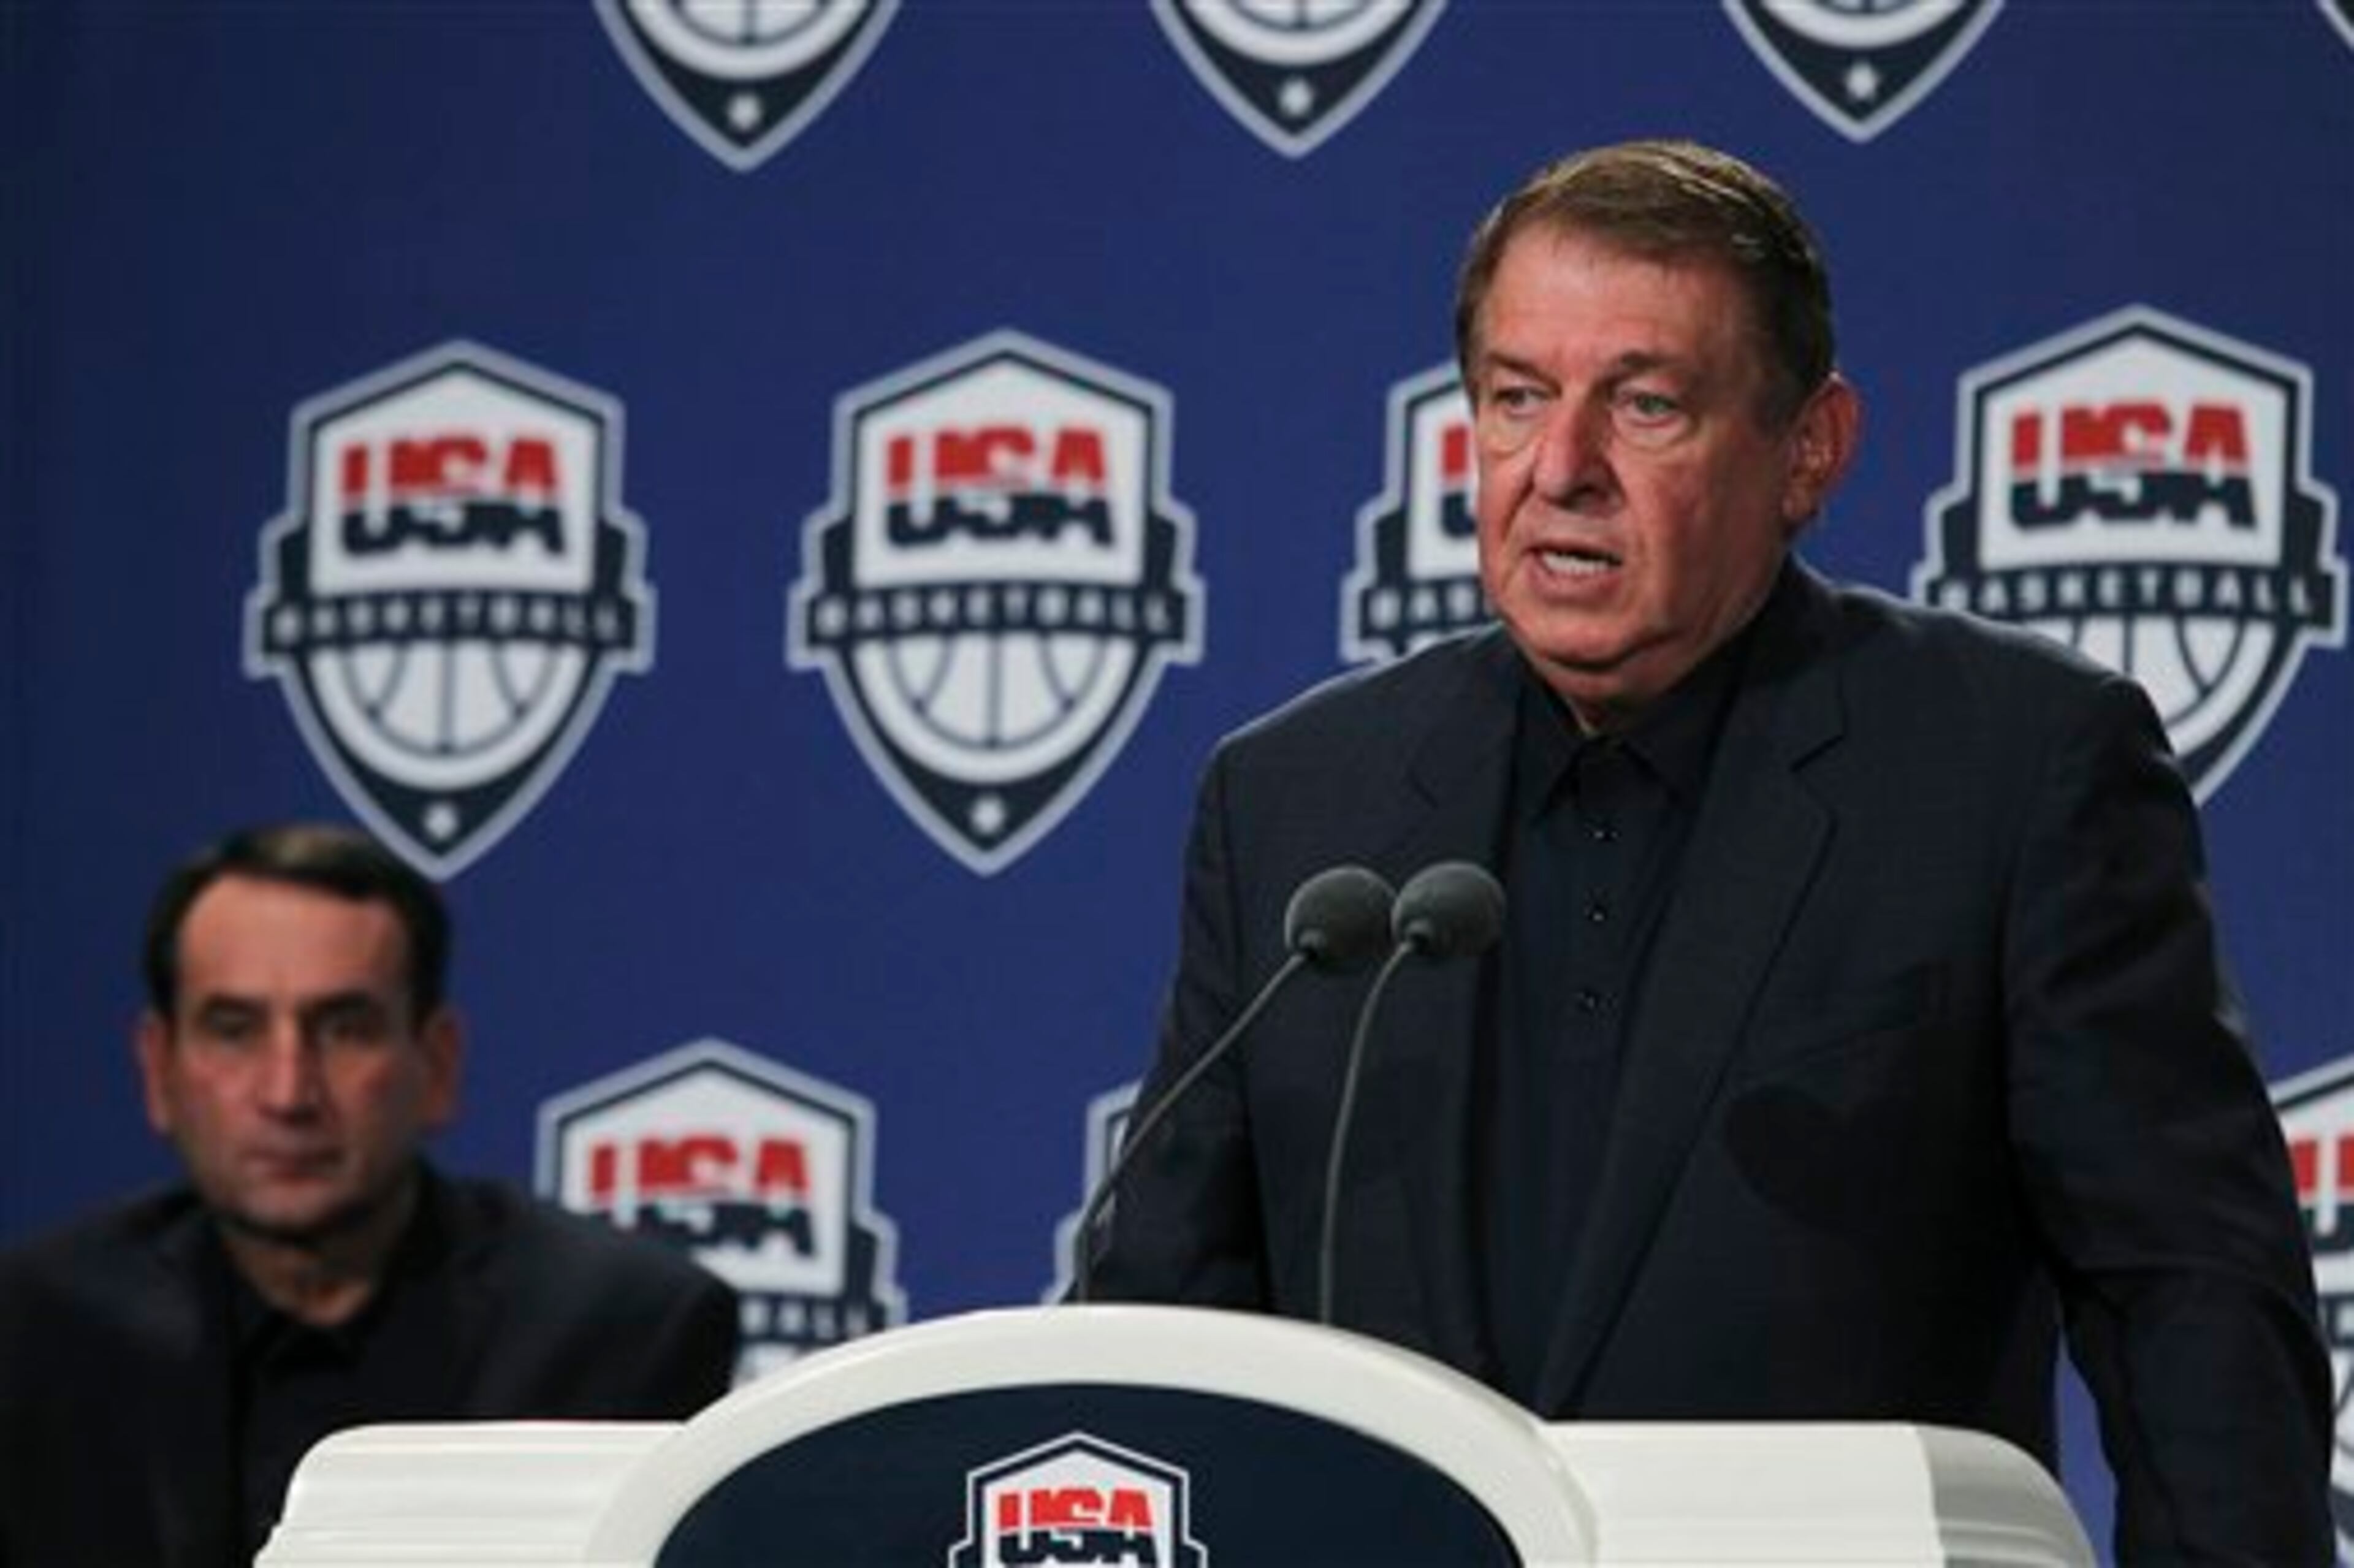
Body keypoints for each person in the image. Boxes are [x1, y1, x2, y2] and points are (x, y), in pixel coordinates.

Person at [1084, 139, 2331, 1562]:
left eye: (1646, 406)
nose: (1559, 471)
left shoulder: (2012, 767)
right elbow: (1156, 1335)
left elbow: (2188, 1299)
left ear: (1808, 449)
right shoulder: (1298, 800)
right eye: (1514, 400)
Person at [0, 822, 742, 1567]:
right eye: (234, 1029)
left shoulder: (619, 1328)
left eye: (345, 1028)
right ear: (159, 1070)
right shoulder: (36, 1329)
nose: (288, 1091)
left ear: (437, 1061)